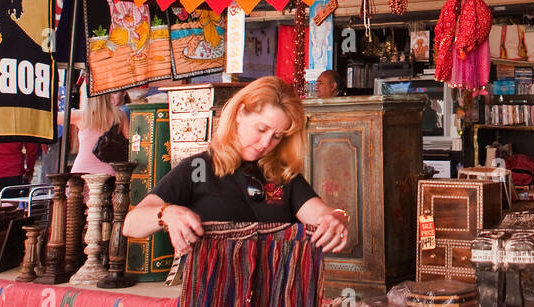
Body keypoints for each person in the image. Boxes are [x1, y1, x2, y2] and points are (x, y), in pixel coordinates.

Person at [122, 77, 349, 253]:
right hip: (215, 299)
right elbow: (131, 224)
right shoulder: (199, 168)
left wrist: (338, 217)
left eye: (277, 137)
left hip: (273, 298)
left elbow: (323, 216)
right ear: (240, 113)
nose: (265, 143)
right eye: (261, 130)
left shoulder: (282, 176)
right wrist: (166, 214)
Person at [70, 90, 130, 175]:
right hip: (109, 173)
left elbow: (50, 118)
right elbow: (129, 145)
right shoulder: (120, 115)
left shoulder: (80, 116)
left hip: (81, 172)